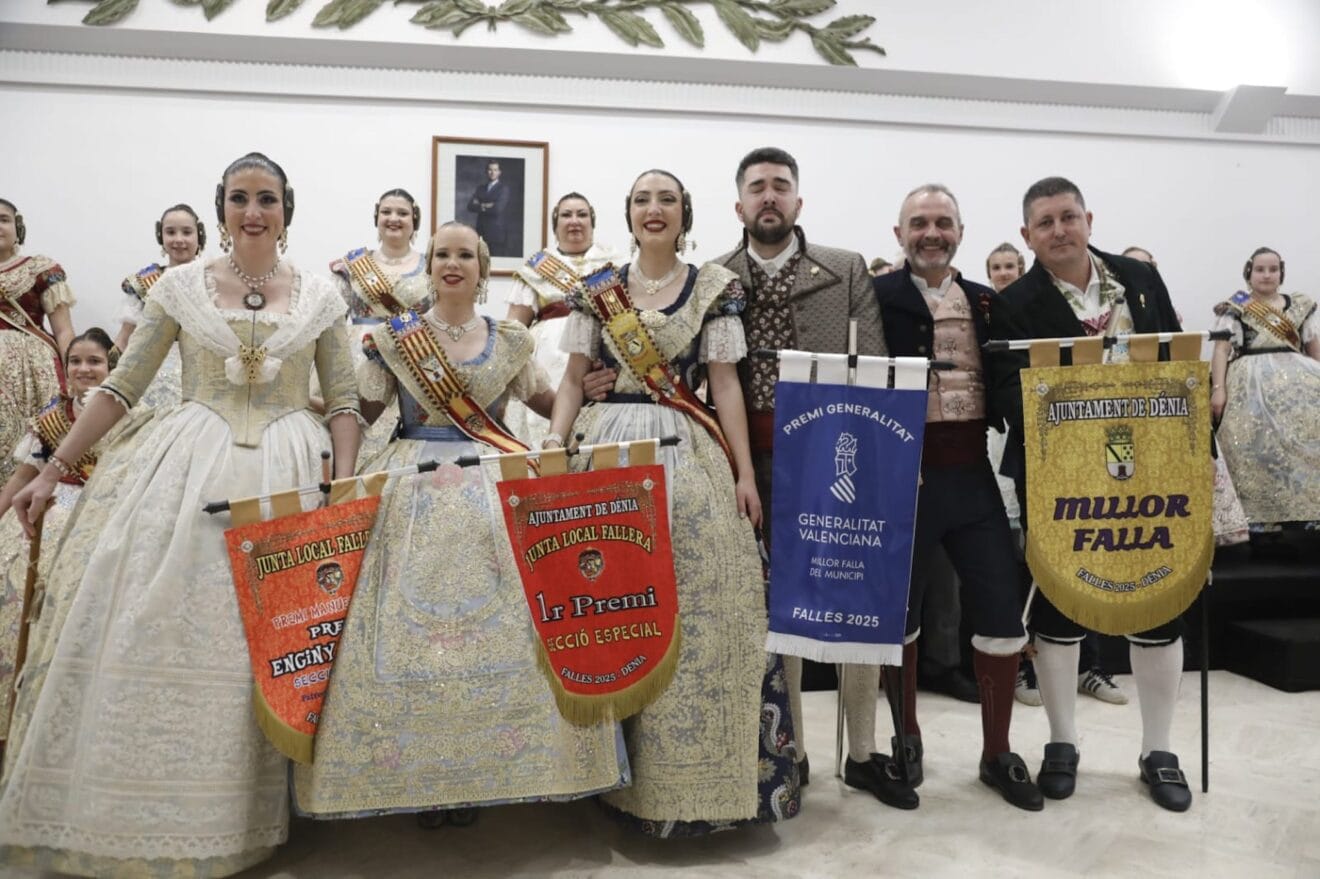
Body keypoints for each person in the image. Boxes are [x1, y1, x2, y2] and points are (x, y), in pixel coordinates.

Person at [0, 152, 361, 876]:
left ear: (287, 208)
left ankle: (256, 810)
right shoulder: (178, 287)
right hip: (191, 466)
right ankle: (154, 809)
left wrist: (345, 485)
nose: (252, 211)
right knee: (161, 618)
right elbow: (121, 389)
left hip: (290, 472)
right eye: (239, 198)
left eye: (266, 198)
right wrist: (54, 466)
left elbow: (345, 402)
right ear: (220, 208)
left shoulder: (322, 296)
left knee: (276, 637)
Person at [293, 222, 628, 827]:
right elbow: (361, 412)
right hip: (408, 488)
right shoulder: (395, 340)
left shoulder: (511, 341)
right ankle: (418, 776)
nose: (453, 263)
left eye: (465, 255)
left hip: (492, 485)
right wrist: (295, 393)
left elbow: (550, 404)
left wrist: (596, 390)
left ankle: (489, 772)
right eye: (442, 254)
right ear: (429, 267)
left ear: (483, 269)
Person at [549, 168, 796, 835]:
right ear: (627, 214)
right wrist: (551, 444)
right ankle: (603, 780)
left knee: (701, 610)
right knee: (607, 613)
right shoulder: (597, 290)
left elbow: (726, 385)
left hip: (687, 454)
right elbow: (572, 380)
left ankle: (696, 784)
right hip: (605, 455)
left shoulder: (713, 288)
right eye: (641, 200)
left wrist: (744, 473)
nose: (653, 209)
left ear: (685, 214)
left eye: (666, 199)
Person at [993, 176, 1192, 813]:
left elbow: (1176, 358)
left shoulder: (1141, 278)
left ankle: (1159, 750)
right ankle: (1061, 743)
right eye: (1044, 223)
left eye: (1068, 217)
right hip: (1062, 477)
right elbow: (1005, 395)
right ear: (1027, 235)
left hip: (1153, 471)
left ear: (1088, 219)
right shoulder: (1012, 303)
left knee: (1159, 604)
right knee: (1060, 607)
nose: (1059, 230)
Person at [872, 184, 1041, 811]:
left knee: (1000, 611)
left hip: (973, 476)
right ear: (899, 234)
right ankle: (906, 739)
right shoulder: (876, 296)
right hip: (904, 480)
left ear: (961, 233)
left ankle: (997, 752)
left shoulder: (987, 301)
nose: (931, 233)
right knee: (899, 617)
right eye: (918, 222)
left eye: (943, 222)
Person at [0, 328, 116, 731]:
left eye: (94, 361)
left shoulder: (128, 414)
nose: (84, 369)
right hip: (44, 514)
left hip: (105, 513)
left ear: (112, 366)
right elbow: (22, 477)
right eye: (75, 361)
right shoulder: (52, 416)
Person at [1210, 246, 1320, 529]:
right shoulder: (1236, 306)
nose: (1267, 275)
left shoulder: (1300, 305)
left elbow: (1313, 347)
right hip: (1249, 386)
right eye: (1260, 269)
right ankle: (1256, 518)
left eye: (1273, 269)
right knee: (1250, 445)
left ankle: (1307, 513)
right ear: (1249, 273)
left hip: (1298, 388)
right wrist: (1218, 388)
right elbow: (1221, 350)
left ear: (1281, 273)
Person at [504, 191, 617, 446]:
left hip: (600, 365)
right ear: (555, 226)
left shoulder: (615, 264)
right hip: (547, 369)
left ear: (592, 223)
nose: (574, 220)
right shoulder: (535, 268)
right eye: (566, 215)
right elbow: (513, 332)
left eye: (582, 214)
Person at [330, 187, 432, 463]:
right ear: (376, 218)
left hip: (413, 357)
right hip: (355, 359)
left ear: (414, 221)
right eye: (386, 212)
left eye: (402, 213)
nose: (393, 218)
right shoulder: (352, 265)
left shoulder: (431, 266)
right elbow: (332, 319)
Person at [0, 198, 75, 486]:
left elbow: (64, 331)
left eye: (3, 219)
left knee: (33, 451)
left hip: (33, 375)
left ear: (18, 227)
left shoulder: (39, 269)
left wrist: (74, 374)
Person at [115, 203, 207, 409]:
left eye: (186, 232)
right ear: (161, 236)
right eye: (170, 232)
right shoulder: (145, 283)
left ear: (199, 235)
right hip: (152, 375)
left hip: (202, 375)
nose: (178, 239)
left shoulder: (213, 280)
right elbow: (125, 339)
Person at [468, 159, 510, 253]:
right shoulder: (480, 188)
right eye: (490, 170)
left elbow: (497, 209)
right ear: (486, 172)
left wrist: (479, 205)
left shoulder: (503, 189)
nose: (492, 172)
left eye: (495, 170)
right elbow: (470, 206)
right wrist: (486, 205)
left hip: (496, 233)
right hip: (481, 232)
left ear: (499, 172)